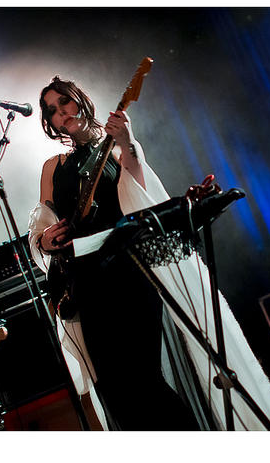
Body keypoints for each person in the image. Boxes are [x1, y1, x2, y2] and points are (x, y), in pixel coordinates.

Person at [29, 77, 199, 430]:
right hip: (87, 286)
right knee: (114, 390)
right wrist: (45, 240)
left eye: (65, 103)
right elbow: (41, 224)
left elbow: (143, 192)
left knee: (146, 382)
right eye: (53, 111)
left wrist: (127, 141)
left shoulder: (118, 150)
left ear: (81, 102)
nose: (61, 113)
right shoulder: (52, 167)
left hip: (129, 274)